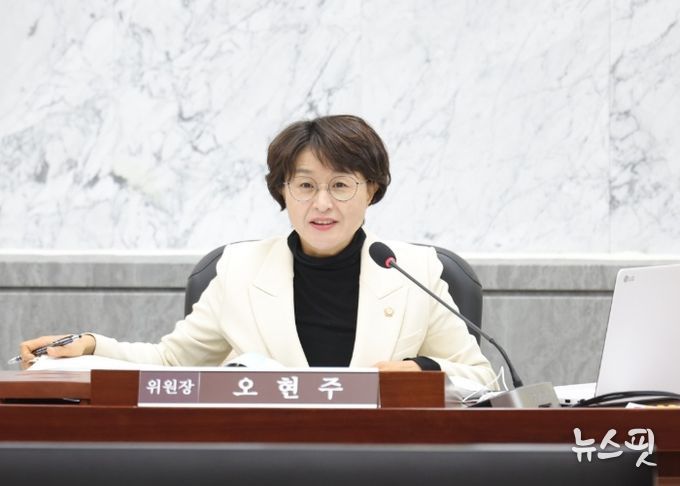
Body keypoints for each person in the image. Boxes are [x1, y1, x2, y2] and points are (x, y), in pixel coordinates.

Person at [19, 115, 497, 387]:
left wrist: (422, 370)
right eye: (305, 185)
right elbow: (172, 363)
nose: (322, 203)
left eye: (340, 185)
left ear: (371, 189)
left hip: (385, 459)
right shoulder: (239, 270)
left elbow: (479, 377)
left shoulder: (414, 269)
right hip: (271, 457)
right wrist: (90, 345)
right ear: (282, 191)